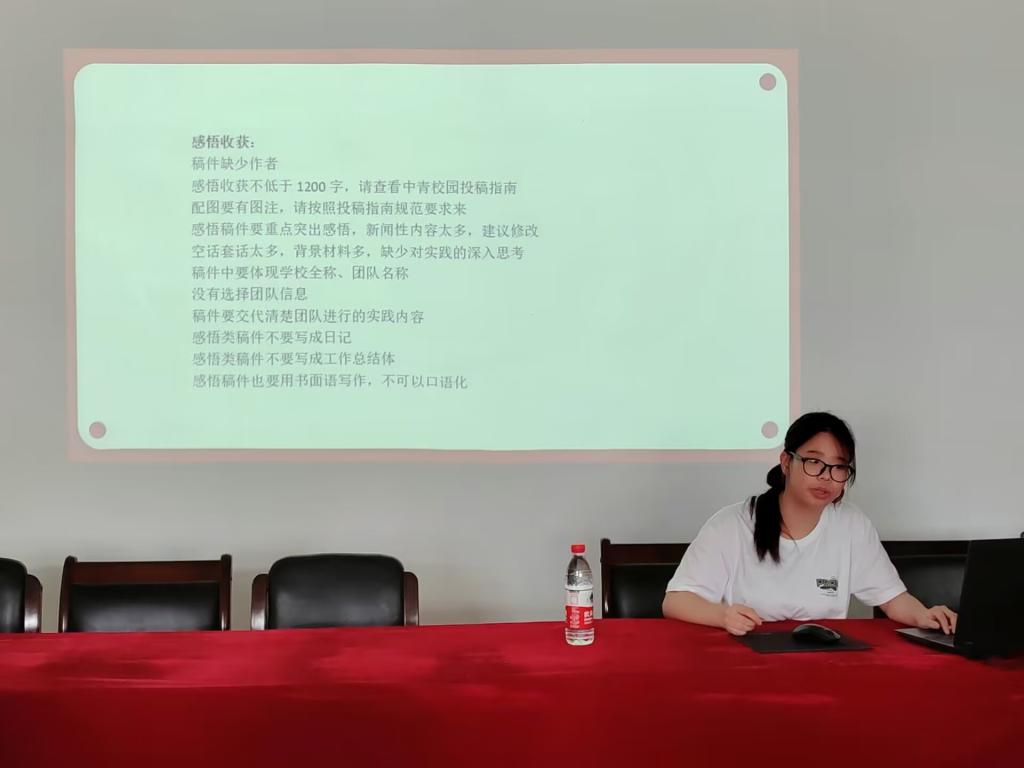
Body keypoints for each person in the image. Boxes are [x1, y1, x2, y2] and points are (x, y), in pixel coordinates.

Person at [662, 412, 958, 636]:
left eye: (839, 467)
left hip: (824, 661)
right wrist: (723, 616)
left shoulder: (852, 524)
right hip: (749, 659)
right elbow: (676, 602)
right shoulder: (731, 524)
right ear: (786, 462)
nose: (826, 476)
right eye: (814, 462)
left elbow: (892, 599)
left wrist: (923, 616)